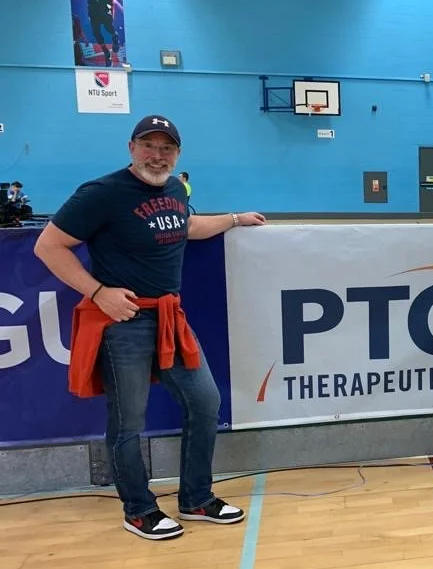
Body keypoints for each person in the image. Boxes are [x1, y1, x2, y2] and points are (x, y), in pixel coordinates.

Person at [33, 114, 266, 541]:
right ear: (131, 148)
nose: (157, 156)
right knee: (128, 421)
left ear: (177, 154)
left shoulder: (176, 188)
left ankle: (196, 498)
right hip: (123, 323)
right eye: (149, 146)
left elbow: (187, 226)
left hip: (169, 318)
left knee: (204, 402)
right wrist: (99, 291)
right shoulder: (101, 193)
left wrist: (234, 219)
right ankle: (138, 509)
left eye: (166, 149)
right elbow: (47, 245)